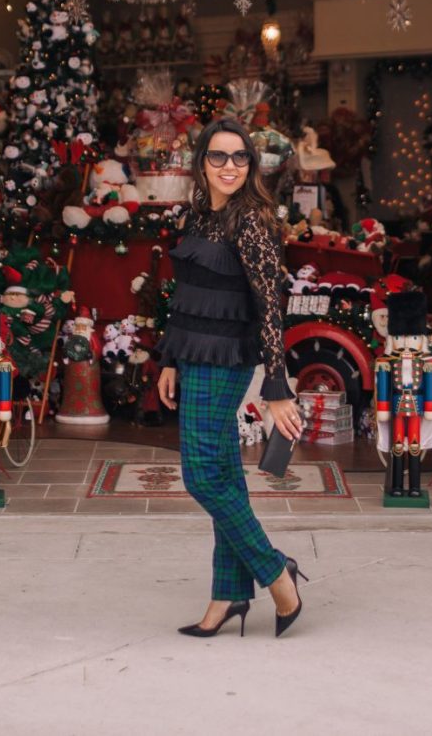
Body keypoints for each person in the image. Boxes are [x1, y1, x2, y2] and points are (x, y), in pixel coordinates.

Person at [157, 117, 308, 639]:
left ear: (251, 164)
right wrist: (170, 358)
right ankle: (227, 594)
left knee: (201, 476)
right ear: (202, 163)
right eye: (218, 157)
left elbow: (271, 305)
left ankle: (275, 572)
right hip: (193, 352)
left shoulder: (252, 221)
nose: (228, 167)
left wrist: (276, 385)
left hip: (227, 358)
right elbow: (187, 294)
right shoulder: (197, 217)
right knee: (223, 474)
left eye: (239, 157)